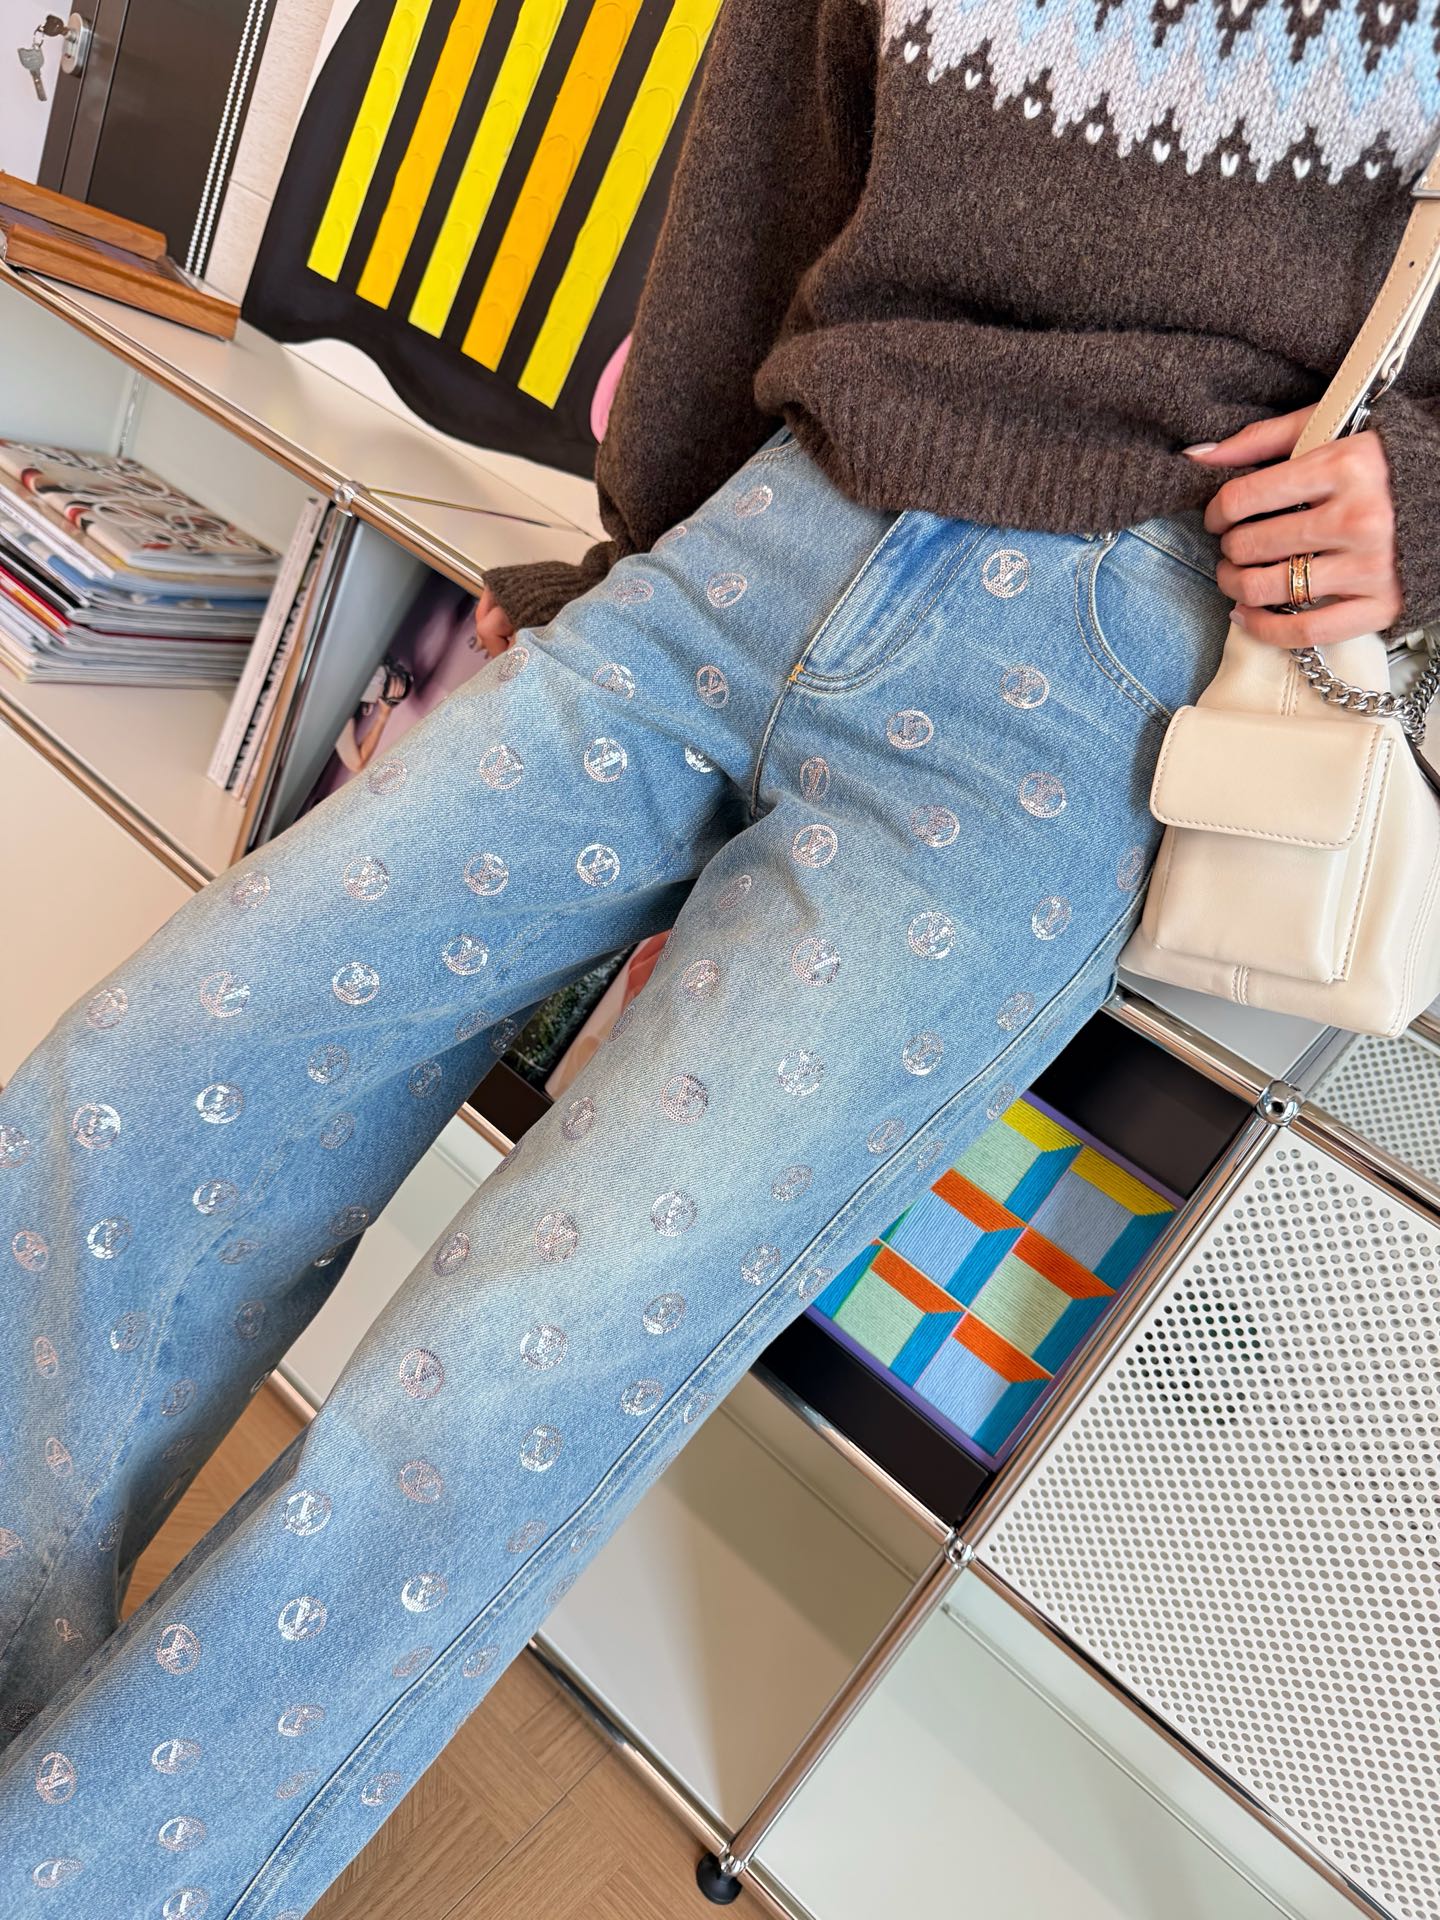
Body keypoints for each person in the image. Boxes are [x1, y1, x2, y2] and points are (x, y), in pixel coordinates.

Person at [3, 2, 1437, 1913]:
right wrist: (629, 560)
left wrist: (1430, 489)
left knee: (488, 1387)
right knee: (137, 1093)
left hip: (1094, 668)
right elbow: (765, 171)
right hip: (756, 531)